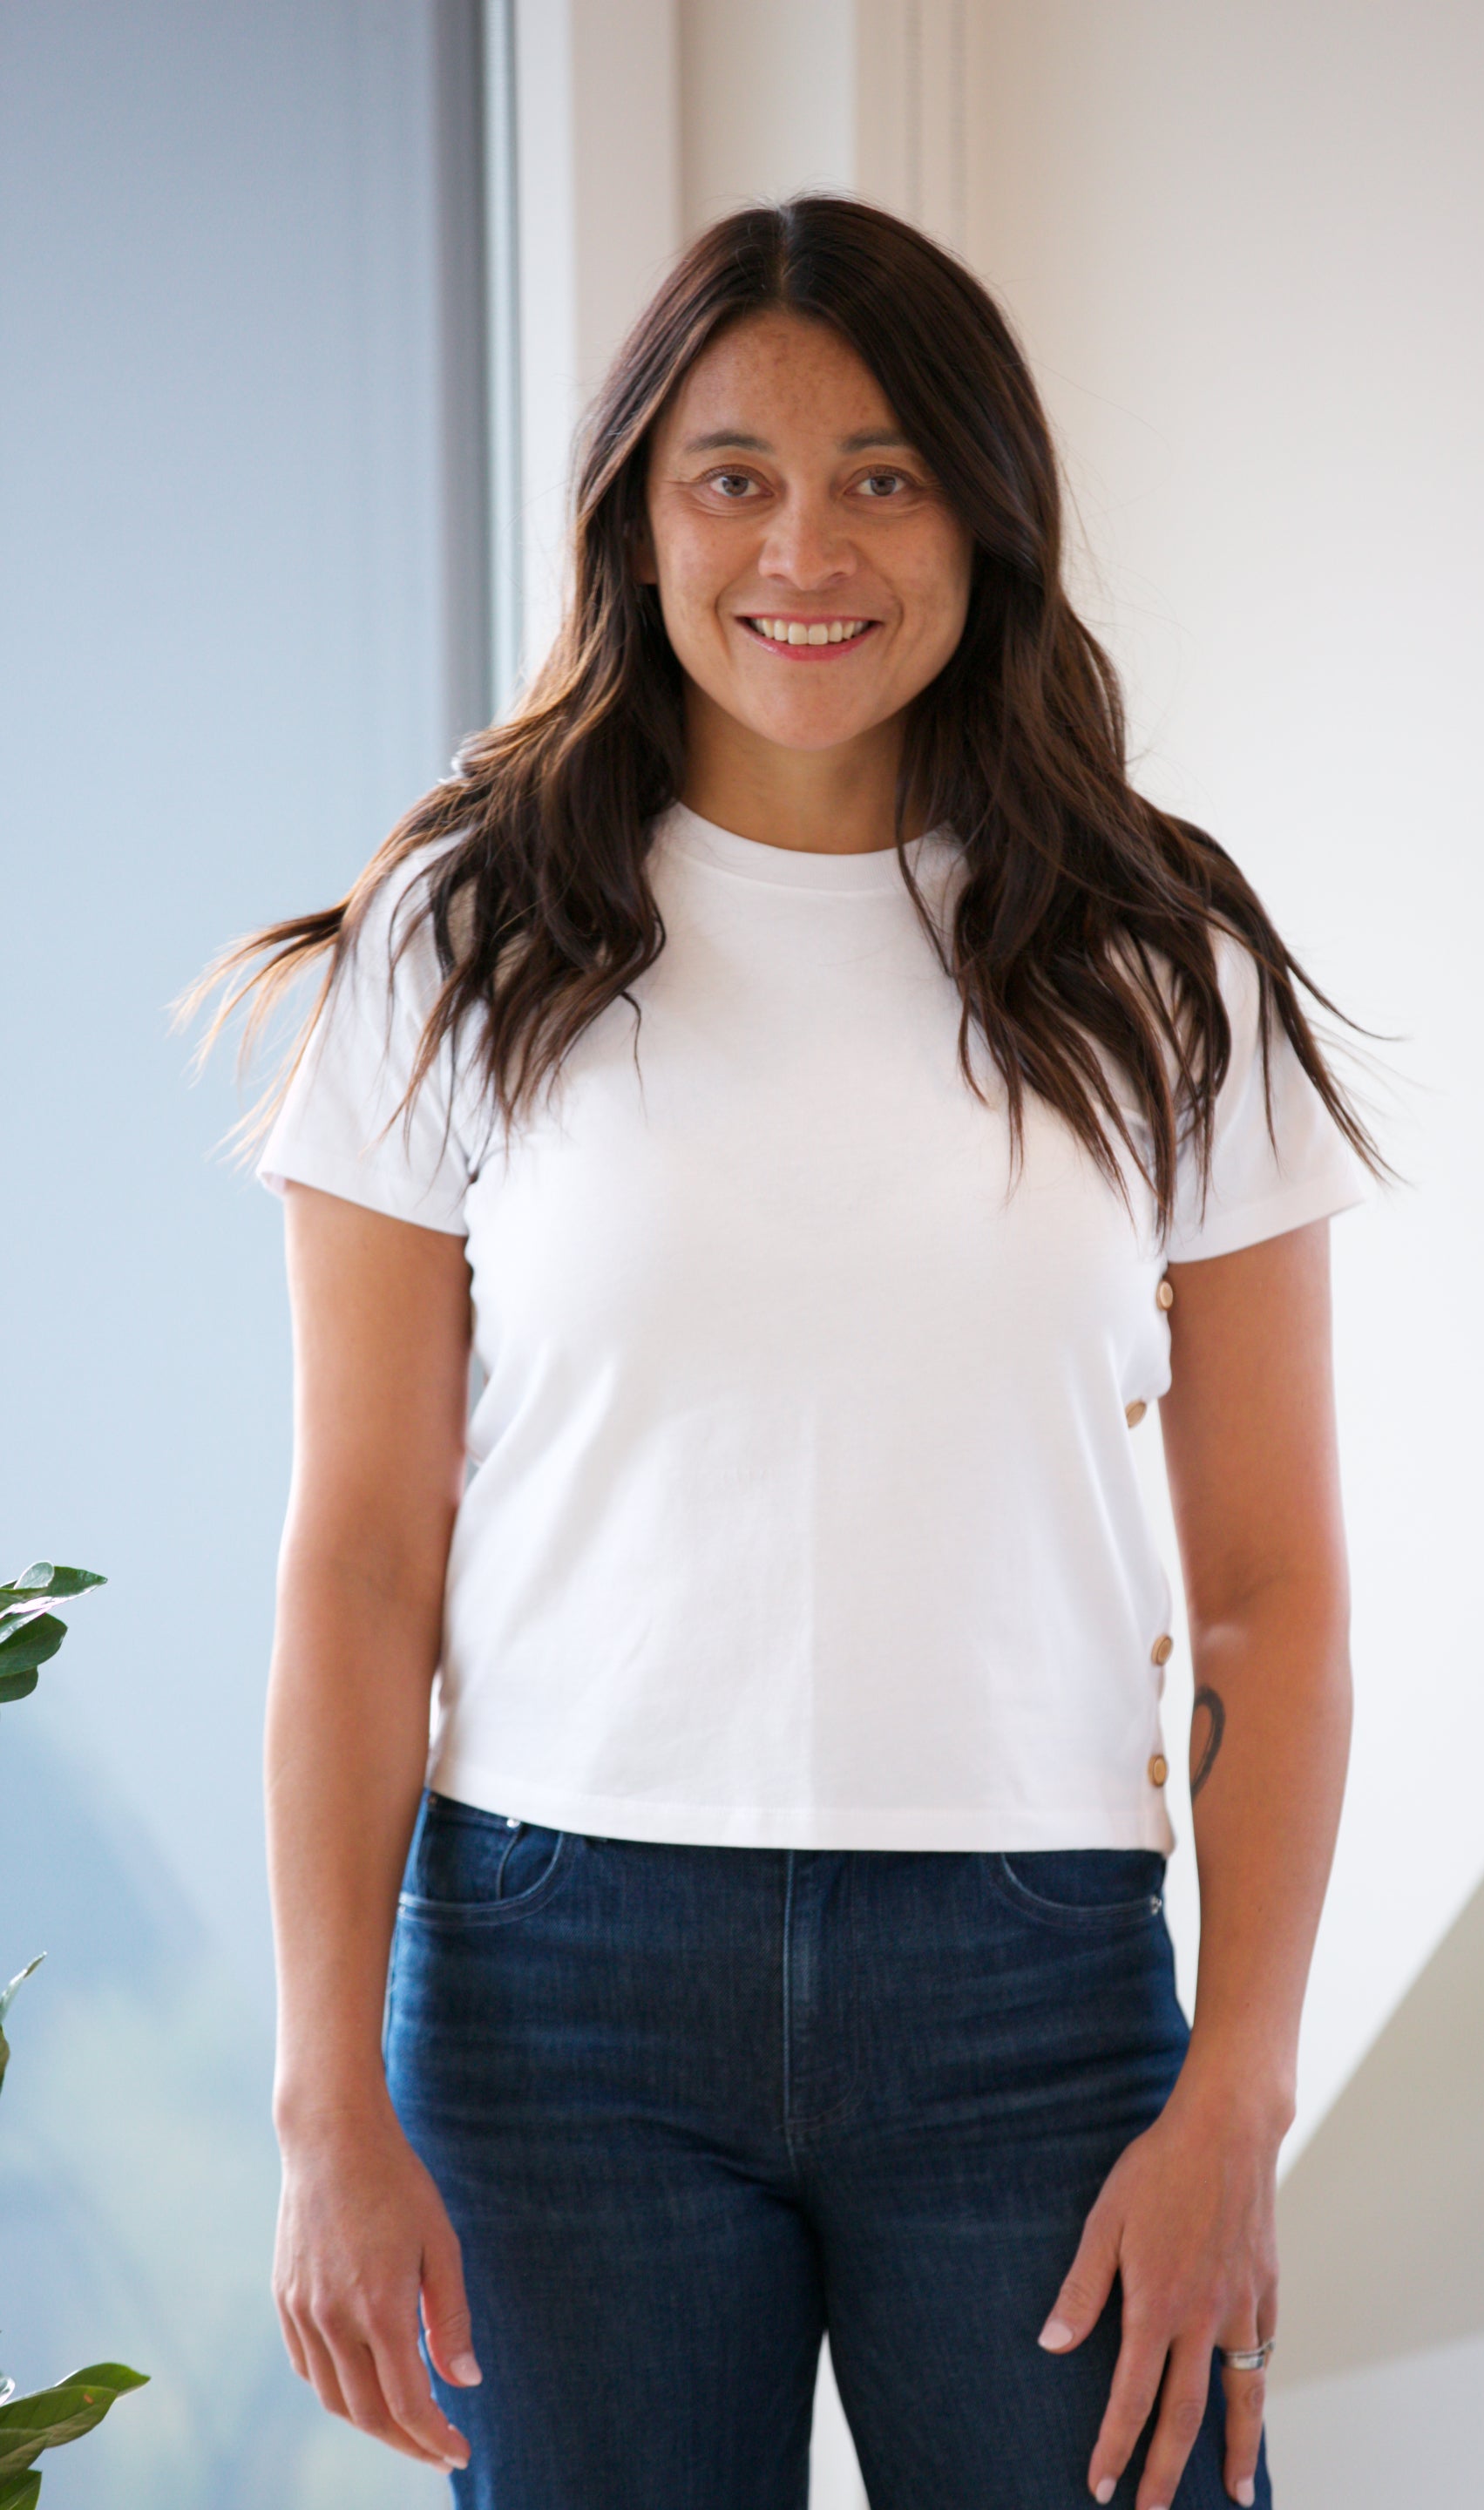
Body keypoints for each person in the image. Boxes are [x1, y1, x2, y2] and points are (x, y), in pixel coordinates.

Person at [206, 195, 1381, 2510]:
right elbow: (357, 1558)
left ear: (985, 510)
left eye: (882, 470)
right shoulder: (466, 934)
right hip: (553, 1993)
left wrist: (1235, 2090)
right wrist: (323, 2094)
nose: (806, 542)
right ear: (641, 523)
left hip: (1033, 1994)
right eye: (733, 472)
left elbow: (1269, 1586)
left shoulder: (1160, 957)